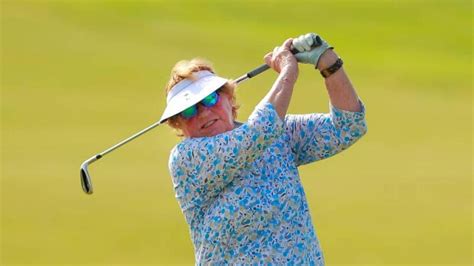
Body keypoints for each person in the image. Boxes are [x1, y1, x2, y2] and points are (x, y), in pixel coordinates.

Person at [159, 33, 367, 264]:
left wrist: (328, 62)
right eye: (188, 111)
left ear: (229, 98)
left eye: (210, 99)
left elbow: (348, 126)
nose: (203, 112)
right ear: (177, 124)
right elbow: (257, 134)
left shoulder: (277, 133)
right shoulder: (186, 159)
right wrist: (288, 72)